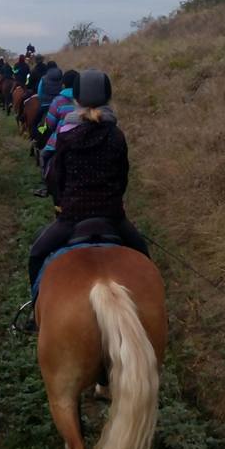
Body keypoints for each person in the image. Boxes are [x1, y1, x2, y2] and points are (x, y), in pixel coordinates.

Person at [28, 68, 149, 298]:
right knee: (143, 253)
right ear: (107, 97)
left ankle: (34, 310)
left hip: (72, 217)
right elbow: (122, 177)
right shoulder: (117, 136)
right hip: (112, 216)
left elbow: (56, 177)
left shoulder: (66, 135)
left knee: (36, 254)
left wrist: (64, 201)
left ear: (77, 99)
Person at [34, 69, 78, 197]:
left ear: (64, 83)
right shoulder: (82, 99)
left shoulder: (58, 100)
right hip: (83, 137)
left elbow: (50, 123)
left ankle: (46, 186)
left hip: (59, 138)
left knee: (44, 156)